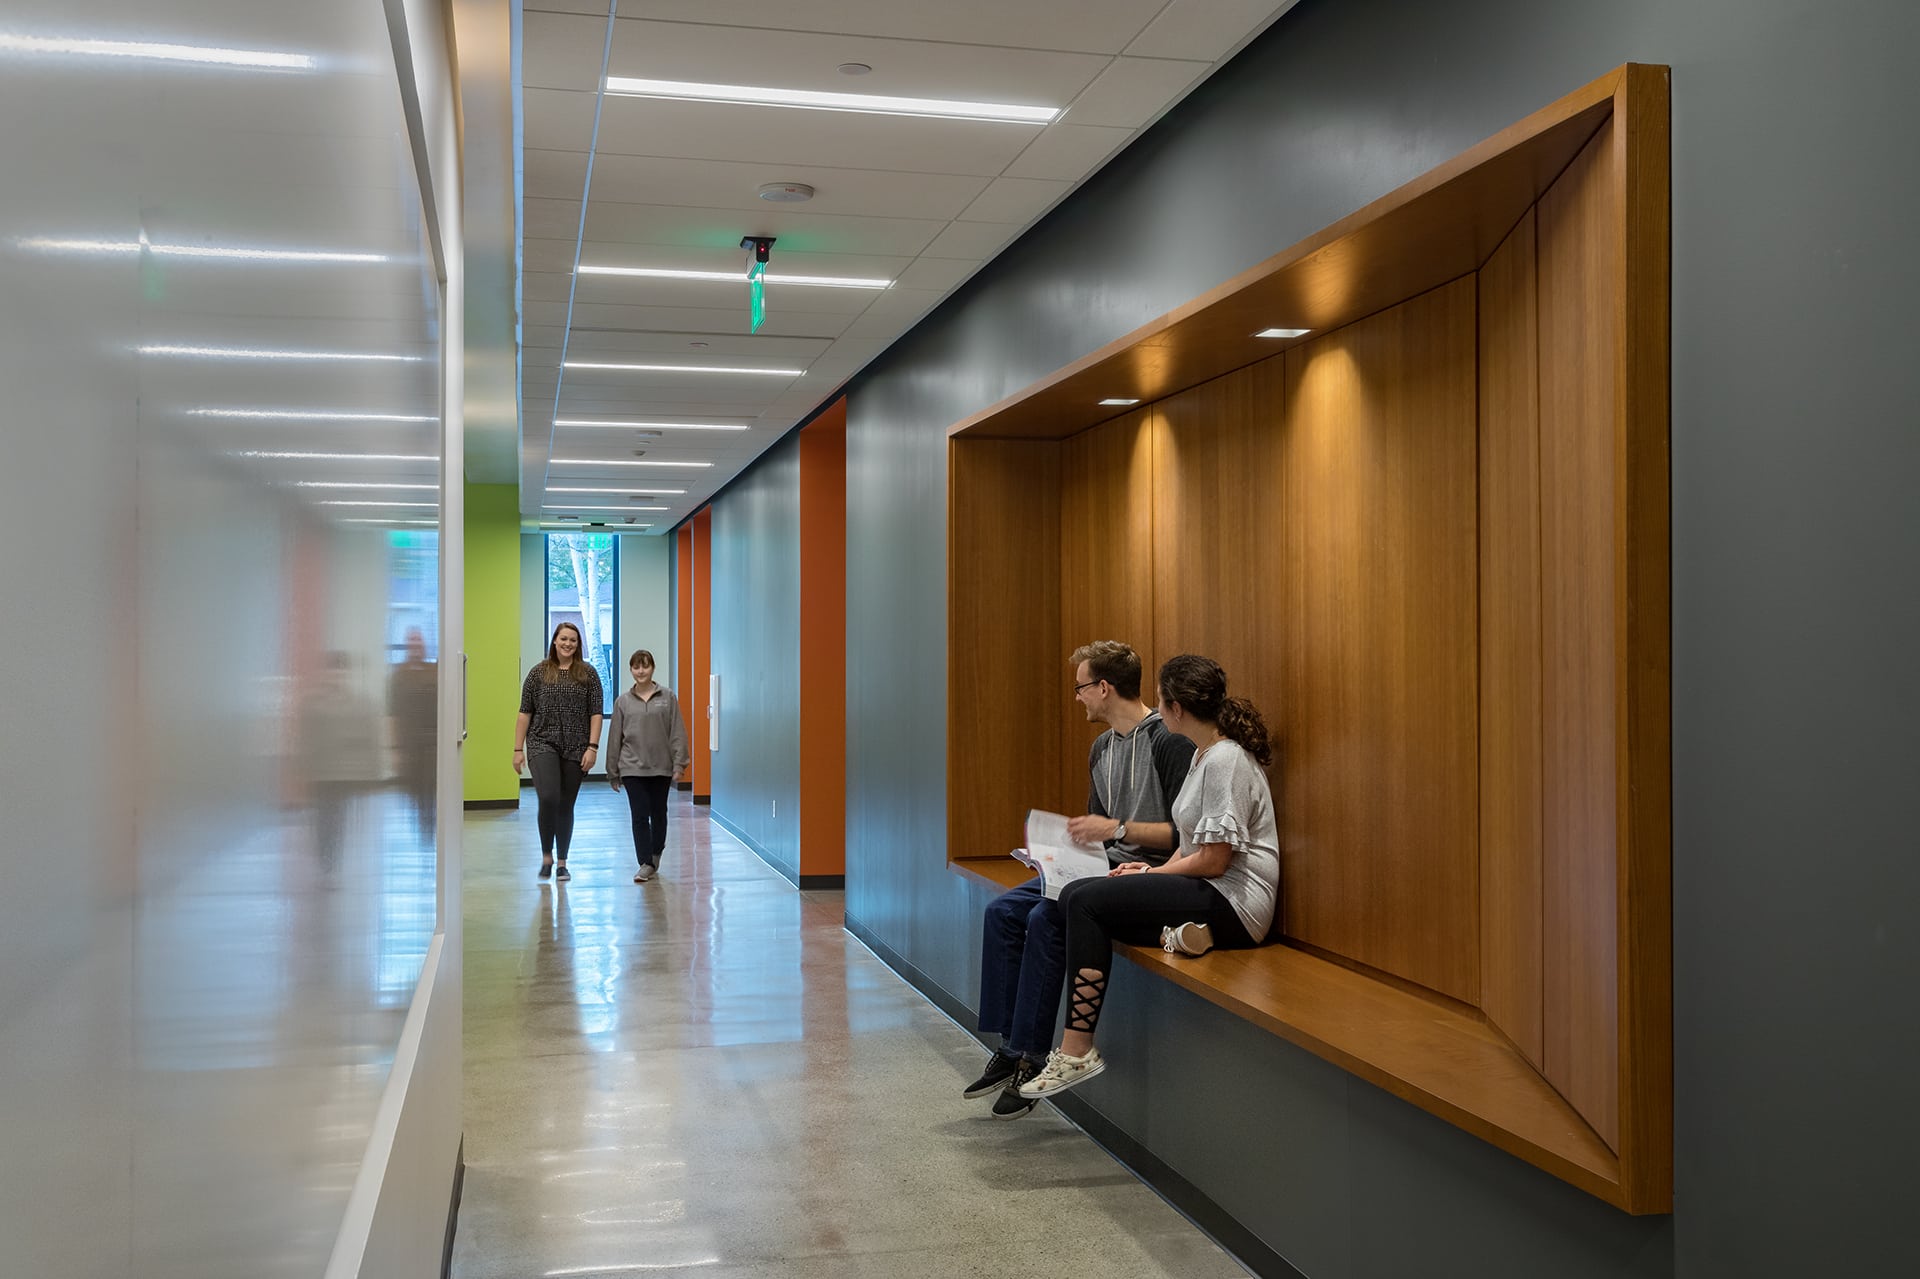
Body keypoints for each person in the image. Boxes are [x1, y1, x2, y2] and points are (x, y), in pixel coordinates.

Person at [1018, 653, 1280, 1101]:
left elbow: (1215, 860)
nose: (1156, 708)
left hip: (1236, 901)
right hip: (1206, 889)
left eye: (1160, 699)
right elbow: (1191, 844)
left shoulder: (1225, 761)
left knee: (1085, 900)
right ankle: (1179, 934)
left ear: (1177, 708)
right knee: (1081, 899)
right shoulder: (1203, 756)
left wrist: (1150, 875)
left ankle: (1076, 1049)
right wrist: (1149, 870)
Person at [967, 641, 1195, 1119]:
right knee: (1002, 912)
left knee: (1045, 914)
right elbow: (1099, 830)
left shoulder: (1168, 743)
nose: (1078, 698)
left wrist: (1115, 829)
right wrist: (1054, 855)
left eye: (1081, 688)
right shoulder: (1101, 748)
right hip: (1101, 865)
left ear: (1104, 687)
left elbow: (1185, 833)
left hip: (1150, 872)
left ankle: (1030, 1057)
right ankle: (1012, 1047)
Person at [513, 622, 604, 881]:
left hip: (577, 747)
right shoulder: (538, 673)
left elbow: (595, 713)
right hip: (542, 742)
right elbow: (524, 713)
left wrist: (593, 747)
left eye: (573, 640)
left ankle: (562, 862)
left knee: (566, 804)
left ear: (578, 644)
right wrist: (518, 749)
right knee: (549, 796)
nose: (568, 644)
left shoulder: (588, 674)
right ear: (554, 641)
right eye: (563, 638)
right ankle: (546, 855)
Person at [607, 648, 690, 883]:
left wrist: (679, 763)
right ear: (631, 670)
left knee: (658, 813)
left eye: (645, 666)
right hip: (632, 767)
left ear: (652, 668)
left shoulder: (667, 697)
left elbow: (677, 732)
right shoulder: (623, 701)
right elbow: (615, 737)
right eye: (636, 666)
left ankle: (655, 853)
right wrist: (613, 771)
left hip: (661, 767)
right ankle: (645, 862)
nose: (640, 671)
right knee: (639, 814)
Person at [387, 627, 437, 843]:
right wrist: (396, 749)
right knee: (415, 791)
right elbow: (393, 712)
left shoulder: (434, 671)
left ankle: (429, 829)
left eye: (419, 640)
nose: (416, 644)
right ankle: (422, 827)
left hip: (432, 742)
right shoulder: (399, 675)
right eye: (412, 641)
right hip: (410, 743)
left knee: (430, 789)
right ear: (407, 645)